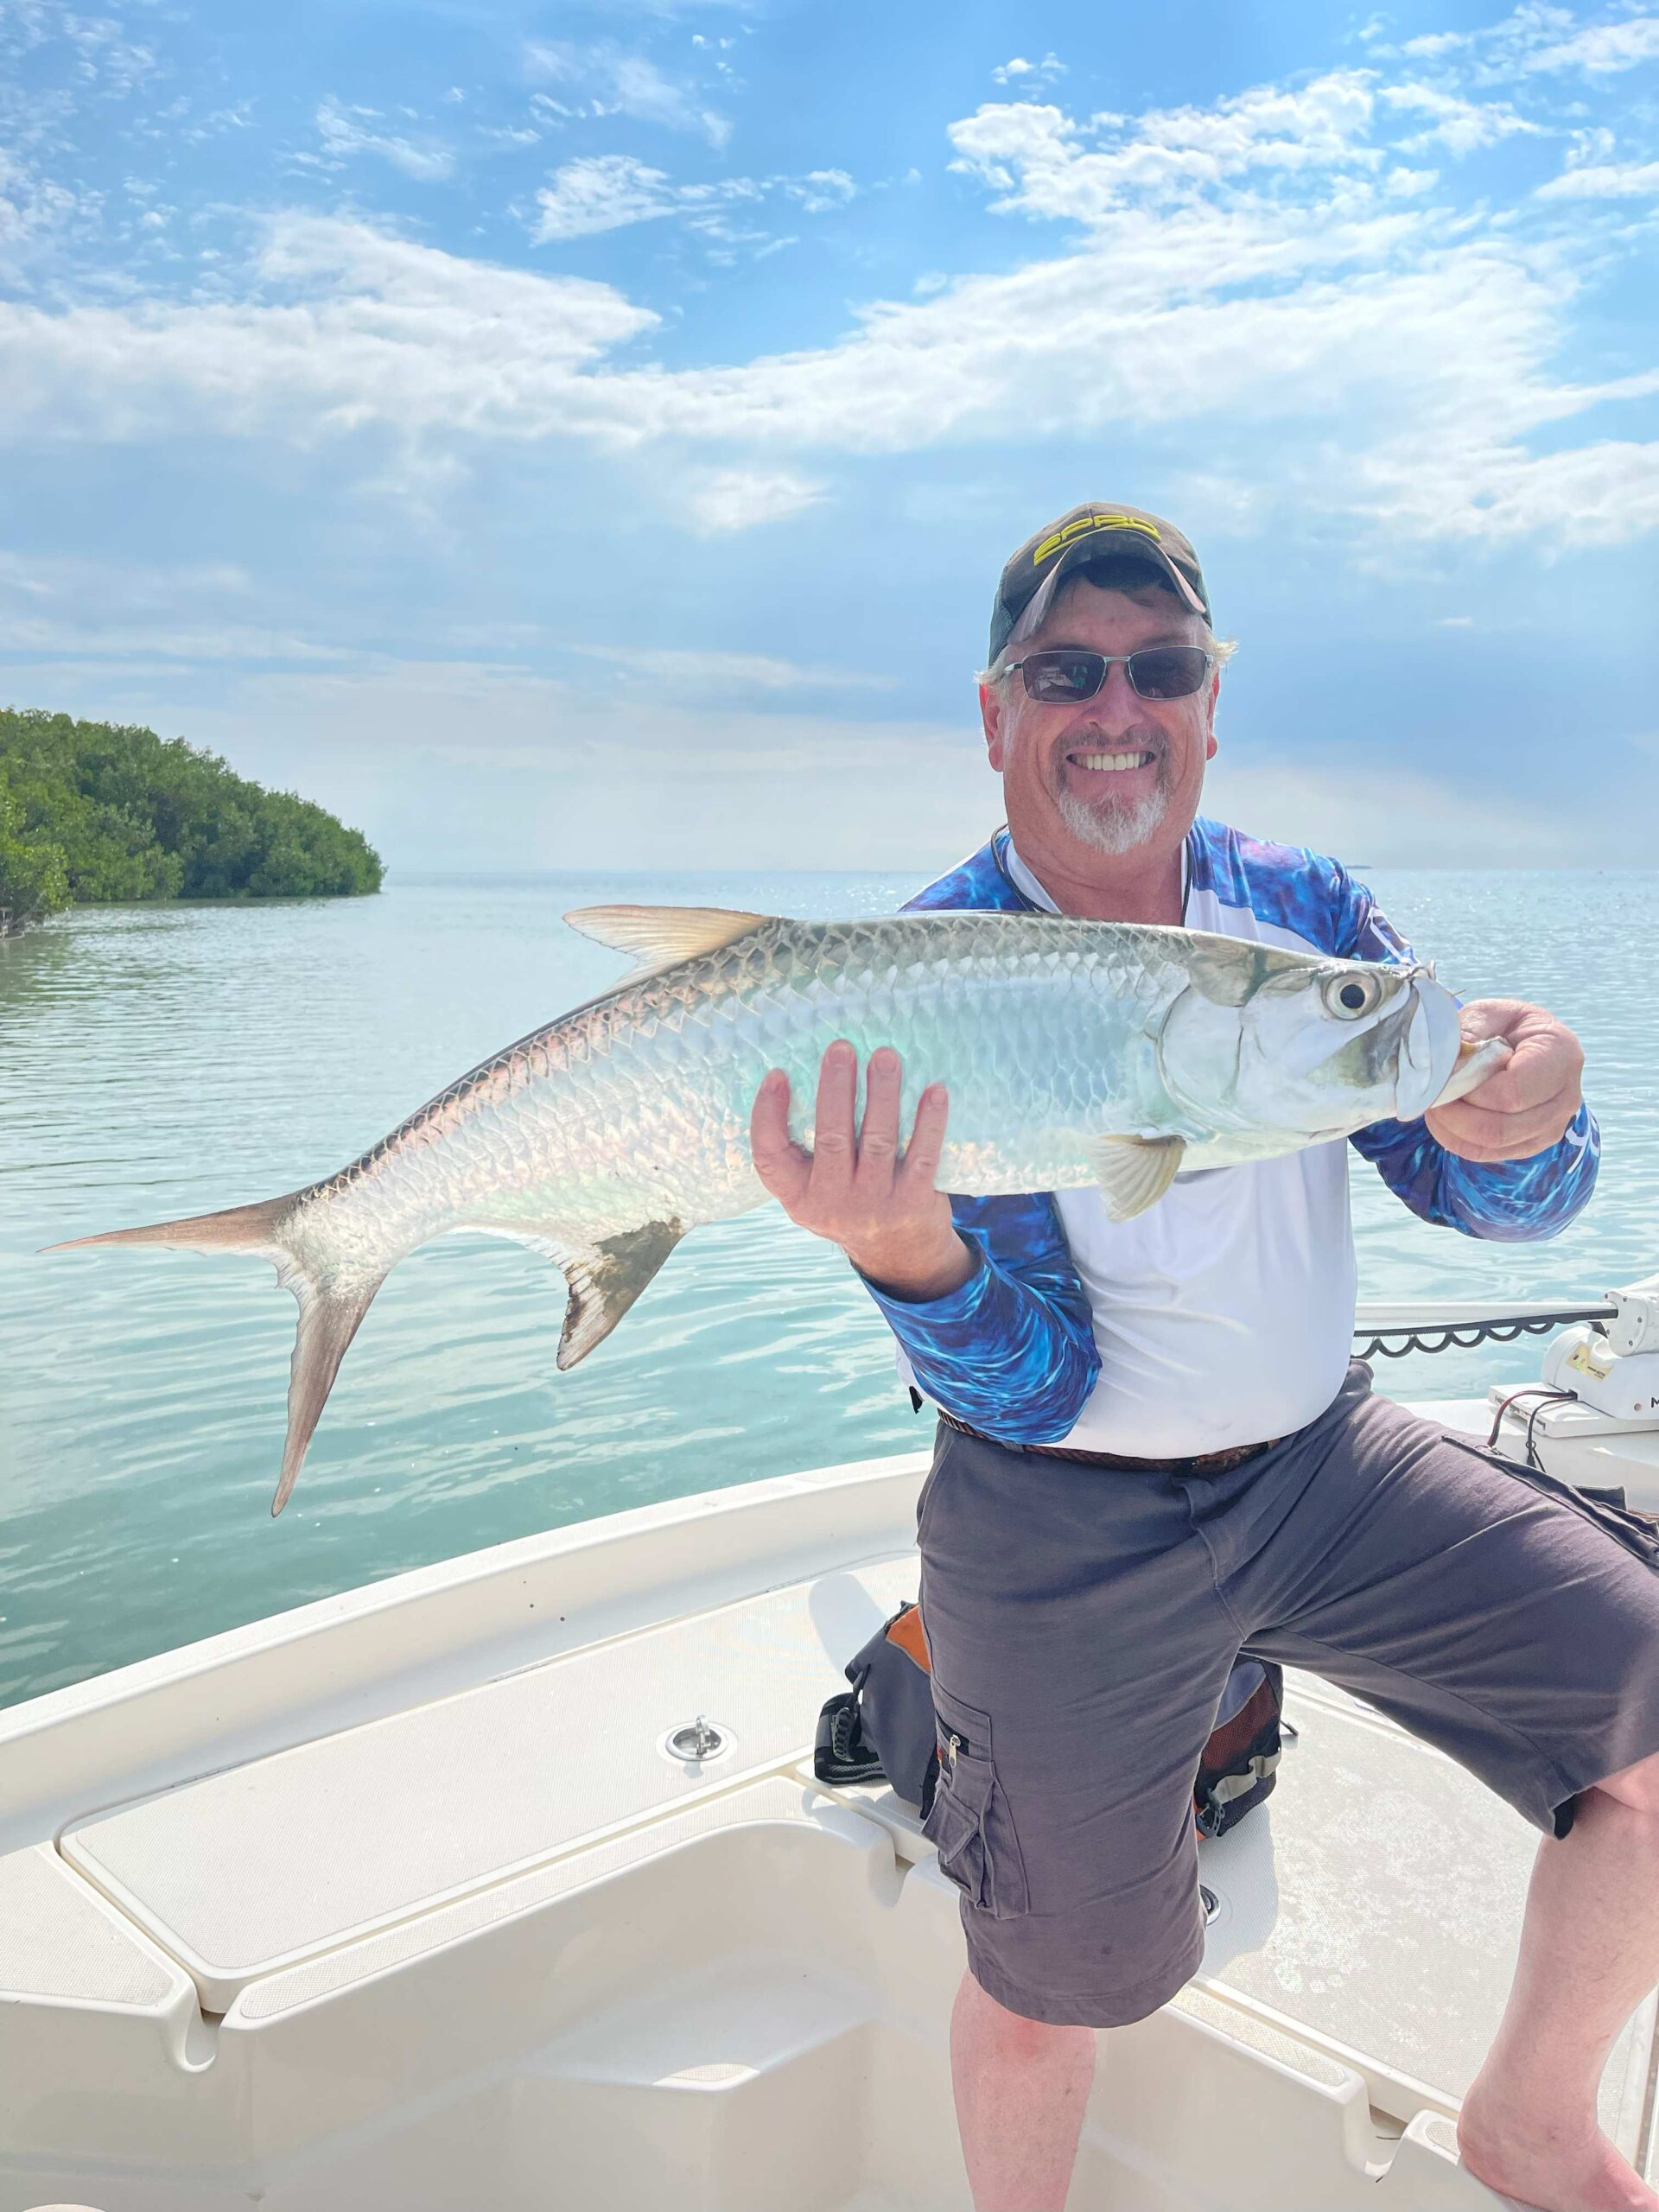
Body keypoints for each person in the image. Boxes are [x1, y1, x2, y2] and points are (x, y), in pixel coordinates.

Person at [748, 504, 1659, 2212]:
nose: (1117, 706)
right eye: (1066, 669)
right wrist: (905, 1252)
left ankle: (1536, 2115)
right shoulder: (929, 975)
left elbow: (1486, 1187)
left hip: (1327, 1468)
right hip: (1057, 1511)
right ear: (997, 713)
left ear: (1211, 705)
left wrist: (1538, 1113)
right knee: (1052, 1974)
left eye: (1161, 668)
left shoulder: (1302, 912)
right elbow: (1024, 1389)